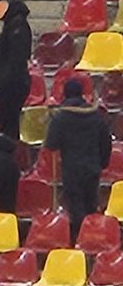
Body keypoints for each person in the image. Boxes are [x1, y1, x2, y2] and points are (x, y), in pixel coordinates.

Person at [44, 78, 112, 240]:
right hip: (92, 167)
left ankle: (79, 239)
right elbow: (106, 142)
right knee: (90, 205)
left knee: (75, 206)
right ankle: (93, 239)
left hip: (72, 169)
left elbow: (51, 145)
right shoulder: (95, 116)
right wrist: (102, 163)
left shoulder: (61, 118)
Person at [0, 0, 32, 140]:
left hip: (13, 85)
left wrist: (4, 80)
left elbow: (17, 57)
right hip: (10, 83)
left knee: (9, 125)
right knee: (8, 123)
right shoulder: (12, 24)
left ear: (1, 5)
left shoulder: (16, 25)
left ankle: (10, 157)